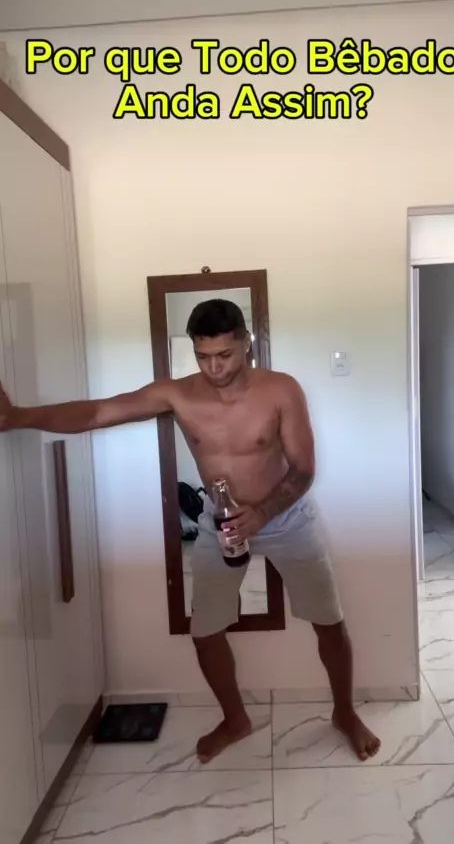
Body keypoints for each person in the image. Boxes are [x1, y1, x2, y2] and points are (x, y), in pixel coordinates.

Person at [0, 298, 380, 763]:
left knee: (329, 622)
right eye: (203, 356)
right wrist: (19, 417)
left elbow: (303, 470)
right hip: (219, 523)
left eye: (224, 355)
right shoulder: (177, 394)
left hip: (285, 518)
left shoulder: (281, 390)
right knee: (204, 630)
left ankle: (344, 712)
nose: (214, 367)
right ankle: (235, 718)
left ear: (246, 343)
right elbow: (98, 412)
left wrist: (262, 514)